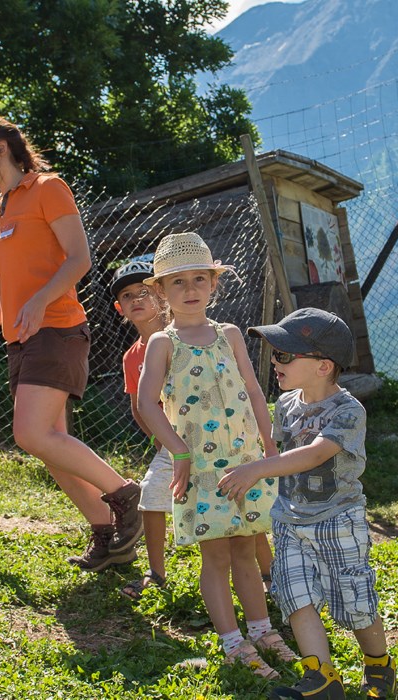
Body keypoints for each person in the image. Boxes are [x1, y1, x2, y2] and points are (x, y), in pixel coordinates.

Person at [0, 114, 144, 572]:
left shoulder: (48, 188)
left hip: (57, 329)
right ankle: (109, 536)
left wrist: (40, 300)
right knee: (49, 444)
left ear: (1, 148)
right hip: (22, 339)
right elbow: (4, 288)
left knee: (31, 434)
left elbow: (79, 259)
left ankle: (124, 495)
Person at [134, 233, 296, 677]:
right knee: (217, 556)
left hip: (244, 461)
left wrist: (268, 441)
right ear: (162, 292)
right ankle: (232, 641)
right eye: (178, 282)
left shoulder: (228, 335)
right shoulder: (163, 344)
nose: (190, 290)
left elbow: (252, 390)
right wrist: (179, 453)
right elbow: (148, 404)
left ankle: (263, 630)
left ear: (213, 285)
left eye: (199, 280)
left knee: (246, 546)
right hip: (201, 470)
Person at [221, 308, 395, 700]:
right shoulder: (286, 404)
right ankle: (321, 676)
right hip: (290, 520)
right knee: (295, 594)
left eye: (284, 355)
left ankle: (378, 663)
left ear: (322, 366)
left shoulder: (349, 411)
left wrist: (257, 470)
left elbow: (316, 454)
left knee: (355, 602)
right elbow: (282, 450)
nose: (275, 362)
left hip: (339, 520)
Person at [109, 256, 175, 600]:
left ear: (162, 294)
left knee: (234, 502)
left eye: (143, 291)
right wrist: (159, 441)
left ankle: (267, 570)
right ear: (119, 308)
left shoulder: (186, 335)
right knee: (150, 498)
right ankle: (156, 573)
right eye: (127, 296)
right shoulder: (131, 356)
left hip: (214, 436)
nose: (136, 300)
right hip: (170, 445)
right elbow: (138, 408)